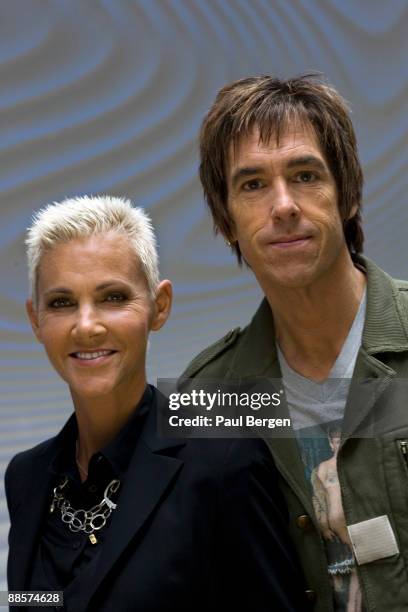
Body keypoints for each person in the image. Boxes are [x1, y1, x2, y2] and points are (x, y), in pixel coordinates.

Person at [5, 195, 307, 612]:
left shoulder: (224, 459)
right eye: (61, 303)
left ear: (158, 307)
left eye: (112, 297)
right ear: (36, 320)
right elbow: (33, 600)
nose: (87, 324)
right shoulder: (26, 477)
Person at [181, 75, 408, 611]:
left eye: (305, 175)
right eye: (253, 184)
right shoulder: (209, 393)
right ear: (226, 220)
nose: (283, 206)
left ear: (348, 195)